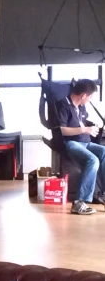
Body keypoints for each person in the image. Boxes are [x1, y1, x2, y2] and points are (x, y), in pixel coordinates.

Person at [56, 78, 105, 215]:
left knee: (104, 152)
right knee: (93, 160)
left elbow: (82, 124)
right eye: (90, 97)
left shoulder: (82, 107)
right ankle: (79, 203)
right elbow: (62, 129)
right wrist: (84, 130)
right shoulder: (63, 105)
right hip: (71, 143)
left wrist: (91, 128)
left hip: (86, 142)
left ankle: (103, 194)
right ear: (84, 95)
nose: (90, 99)